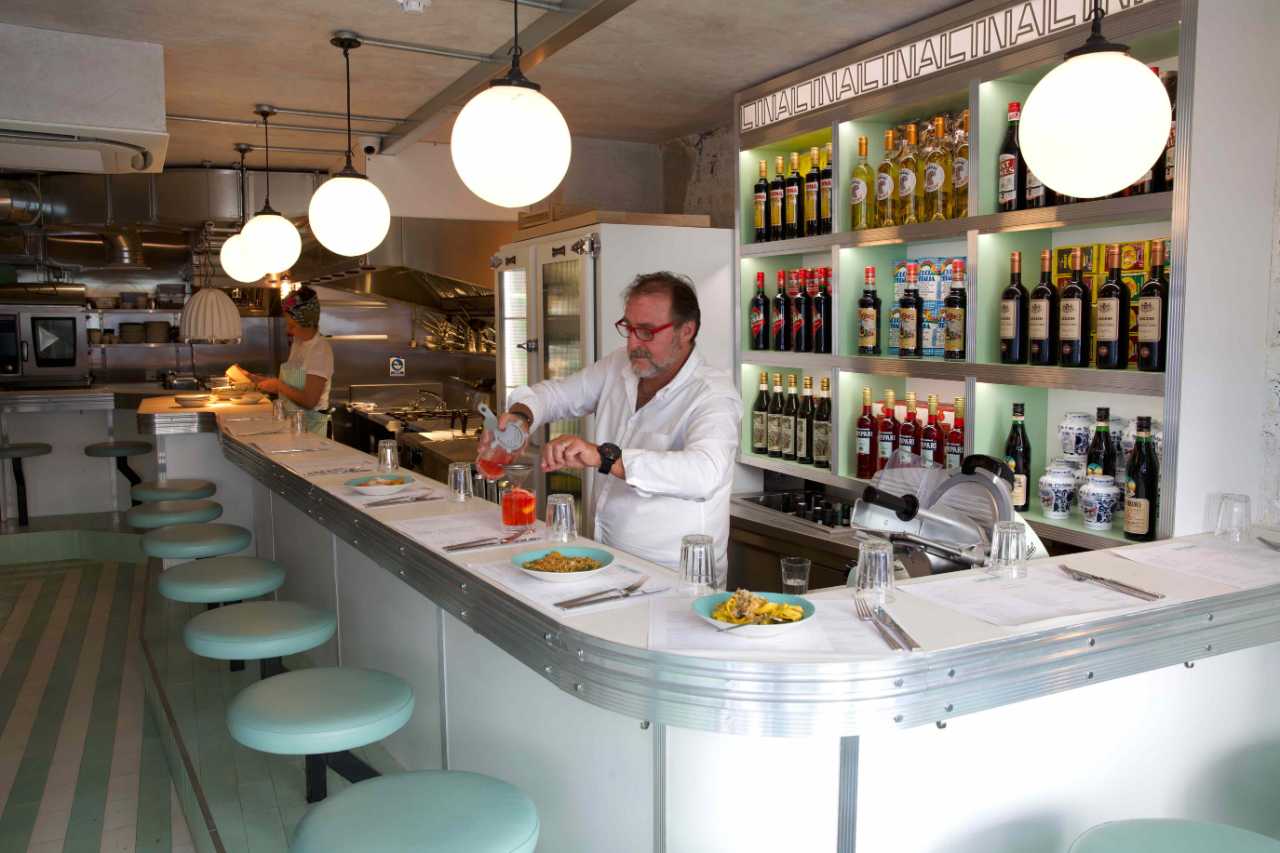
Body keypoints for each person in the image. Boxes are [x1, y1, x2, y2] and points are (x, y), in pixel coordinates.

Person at [490, 271, 741, 569]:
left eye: (646, 331)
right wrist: (521, 417)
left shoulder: (713, 394)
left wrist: (606, 458)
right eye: (629, 328)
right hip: (606, 557)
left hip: (676, 572)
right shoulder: (619, 365)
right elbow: (556, 395)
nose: (633, 343)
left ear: (686, 330)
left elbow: (704, 473)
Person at [253, 286, 334, 436]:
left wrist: (279, 385)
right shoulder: (298, 343)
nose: (287, 331)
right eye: (287, 324)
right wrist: (262, 381)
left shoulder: (319, 349)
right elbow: (291, 387)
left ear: (307, 323)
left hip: (312, 428)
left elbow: (310, 401)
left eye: (292, 326)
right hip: (293, 425)